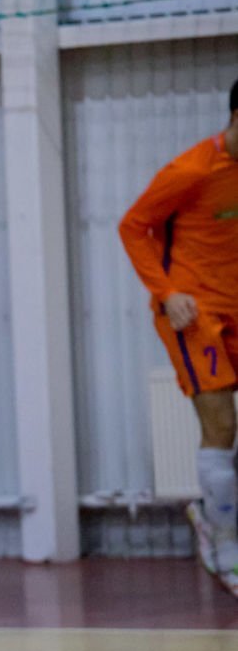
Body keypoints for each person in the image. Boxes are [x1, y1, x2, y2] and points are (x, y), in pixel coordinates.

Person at [119, 78, 238, 594]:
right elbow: (132, 226)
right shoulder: (191, 170)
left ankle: (212, 511)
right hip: (195, 315)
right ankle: (225, 546)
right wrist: (167, 293)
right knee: (221, 425)